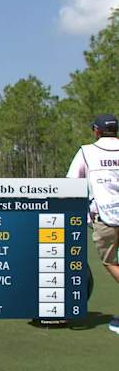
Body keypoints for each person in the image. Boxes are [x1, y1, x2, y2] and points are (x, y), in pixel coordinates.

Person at [67, 114, 119, 335]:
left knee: (110, 262)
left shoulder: (86, 152)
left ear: (96, 131)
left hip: (106, 218)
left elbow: (71, 184)